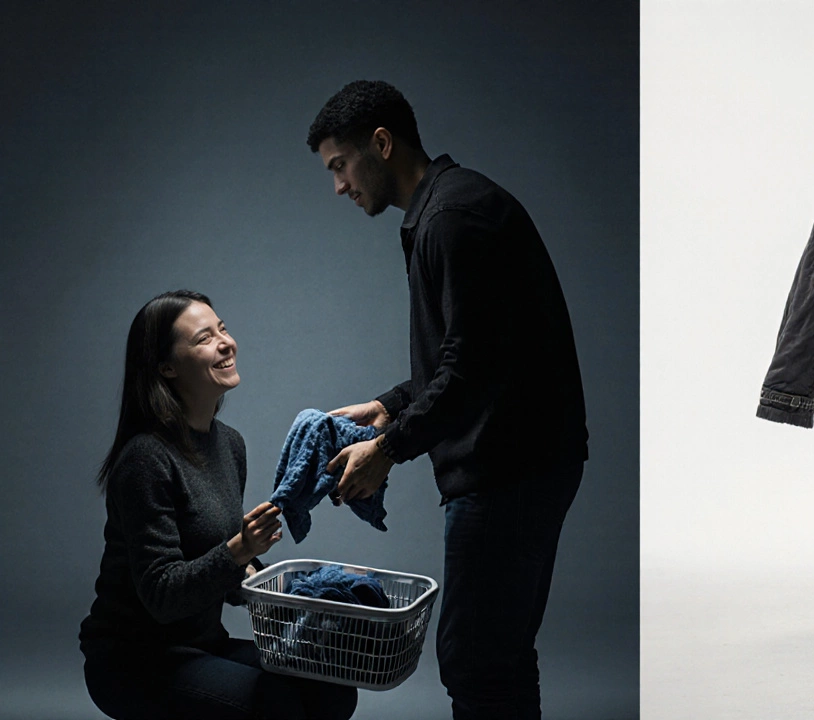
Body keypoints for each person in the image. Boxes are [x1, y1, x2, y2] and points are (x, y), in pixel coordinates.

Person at [306, 80, 589, 719]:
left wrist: (388, 448)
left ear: (380, 144)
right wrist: (388, 406)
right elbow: (471, 353)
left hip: (509, 471)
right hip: (520, 465)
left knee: (476, 659)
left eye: (340, 166)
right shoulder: (449, 210)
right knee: (498, 655)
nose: (339, 186)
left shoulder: (454, 218)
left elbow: (471, 368)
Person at [79, 290, 359, 719]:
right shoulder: (145, 458)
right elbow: (162, 595)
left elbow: (224, 572)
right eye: (204, 338)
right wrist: (239, 550)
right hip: (135, 660)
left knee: (332, 690)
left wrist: (314, 592)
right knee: (273, 703)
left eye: (223, 329)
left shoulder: (229, 444)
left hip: (203, 646)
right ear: (167, 367)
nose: (225, 343)